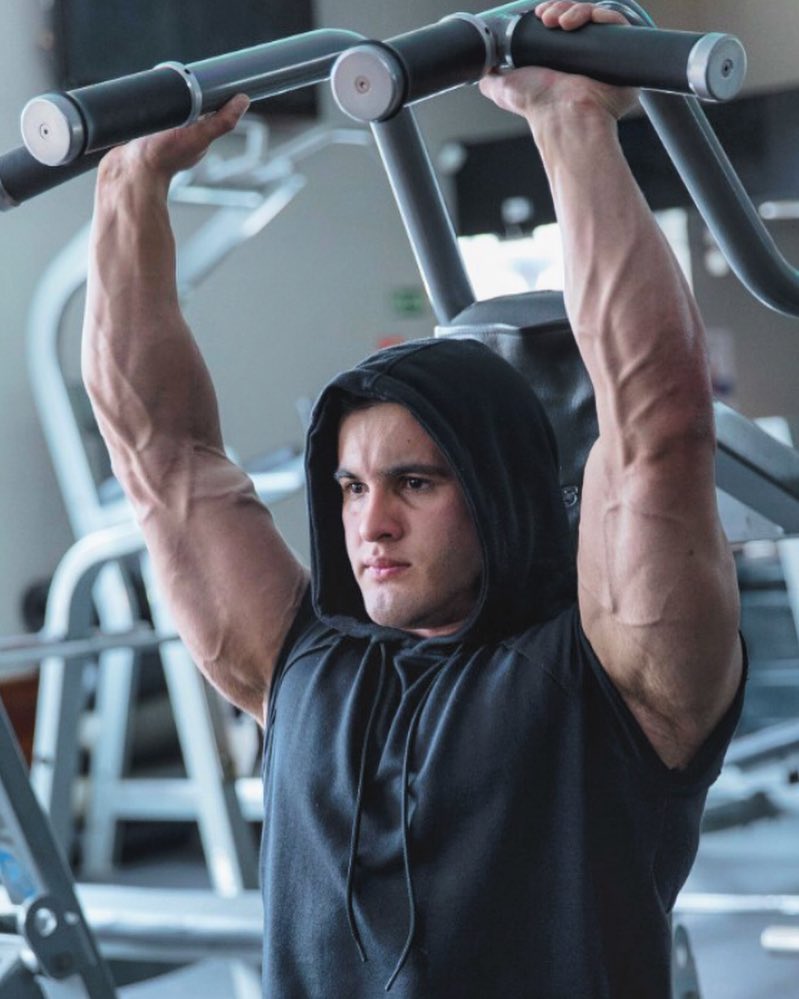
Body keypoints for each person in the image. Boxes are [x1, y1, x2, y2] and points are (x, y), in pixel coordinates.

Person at [81, 2, 745, 996]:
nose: (368, 524)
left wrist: (569, 121)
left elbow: (658, 427)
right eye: (350, 488)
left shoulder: (614, 684)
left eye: (415, 484)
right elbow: (163, 455)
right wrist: (129, 184)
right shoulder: (303, 668)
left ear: (498, 493)